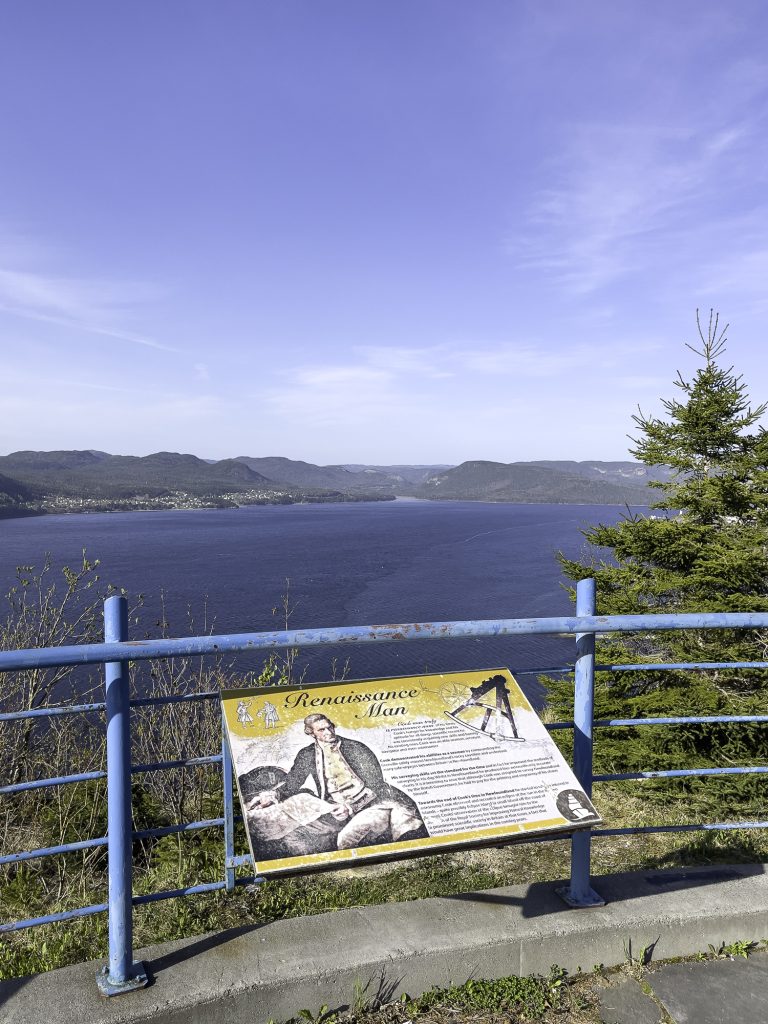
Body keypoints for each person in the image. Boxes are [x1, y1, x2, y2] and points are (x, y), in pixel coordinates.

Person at [254, 714, 428, 849]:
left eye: (329, 728)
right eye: (321, 730)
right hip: (334, 807)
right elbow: (293, 781)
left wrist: (351, 807)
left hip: (371, 804)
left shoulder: (356, 748)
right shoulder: (306, 754)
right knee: (291, 831)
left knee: (346, 839)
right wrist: (274, 793)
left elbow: (376, 785)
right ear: (311, 733)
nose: (328, 732)